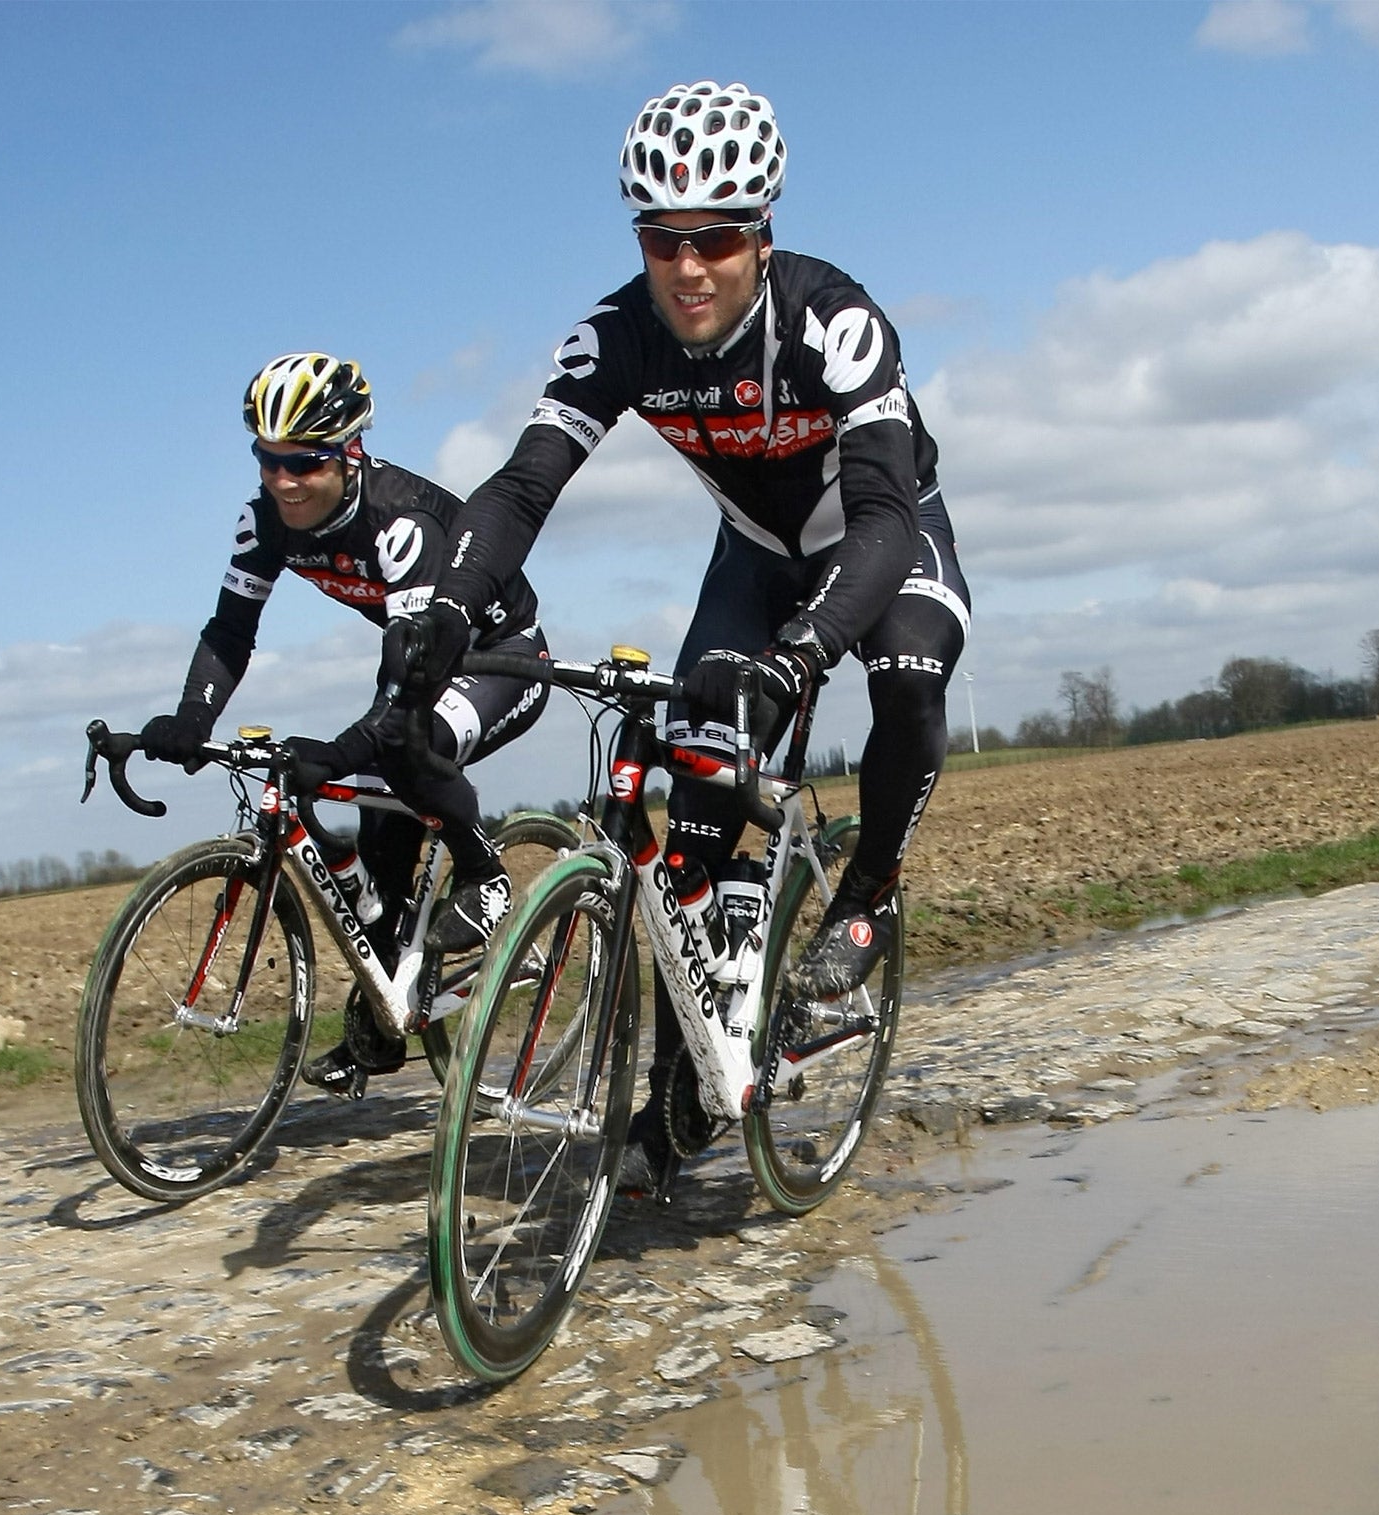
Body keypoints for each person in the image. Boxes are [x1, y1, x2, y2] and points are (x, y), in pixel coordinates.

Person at [406, 82, 971, 1194]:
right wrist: (442, 609)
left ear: (761, 235)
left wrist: (806, 656)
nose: (689, 265)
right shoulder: (614, 335)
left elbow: (882, 512)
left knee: (905, 678)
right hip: (754, 557)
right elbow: (524, 484)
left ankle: (864, 893)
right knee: (692, 837)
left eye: (716, 236)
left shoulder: (832, 319)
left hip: (877, 538)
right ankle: (684, 1093)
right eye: (662, 239)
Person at [137, 352, 550, 1098]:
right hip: (414, 653)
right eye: (268, 461)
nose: (283, 481)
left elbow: (407, 698)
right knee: (379, 852)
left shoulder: (401, 522)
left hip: (499, 658)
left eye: (304, 462)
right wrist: (192, 717)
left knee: (405, 748)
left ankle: (487, 879)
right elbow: (231, 631)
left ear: (348, 451)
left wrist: (336, 752)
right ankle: (380, 1025)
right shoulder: (264, 518)